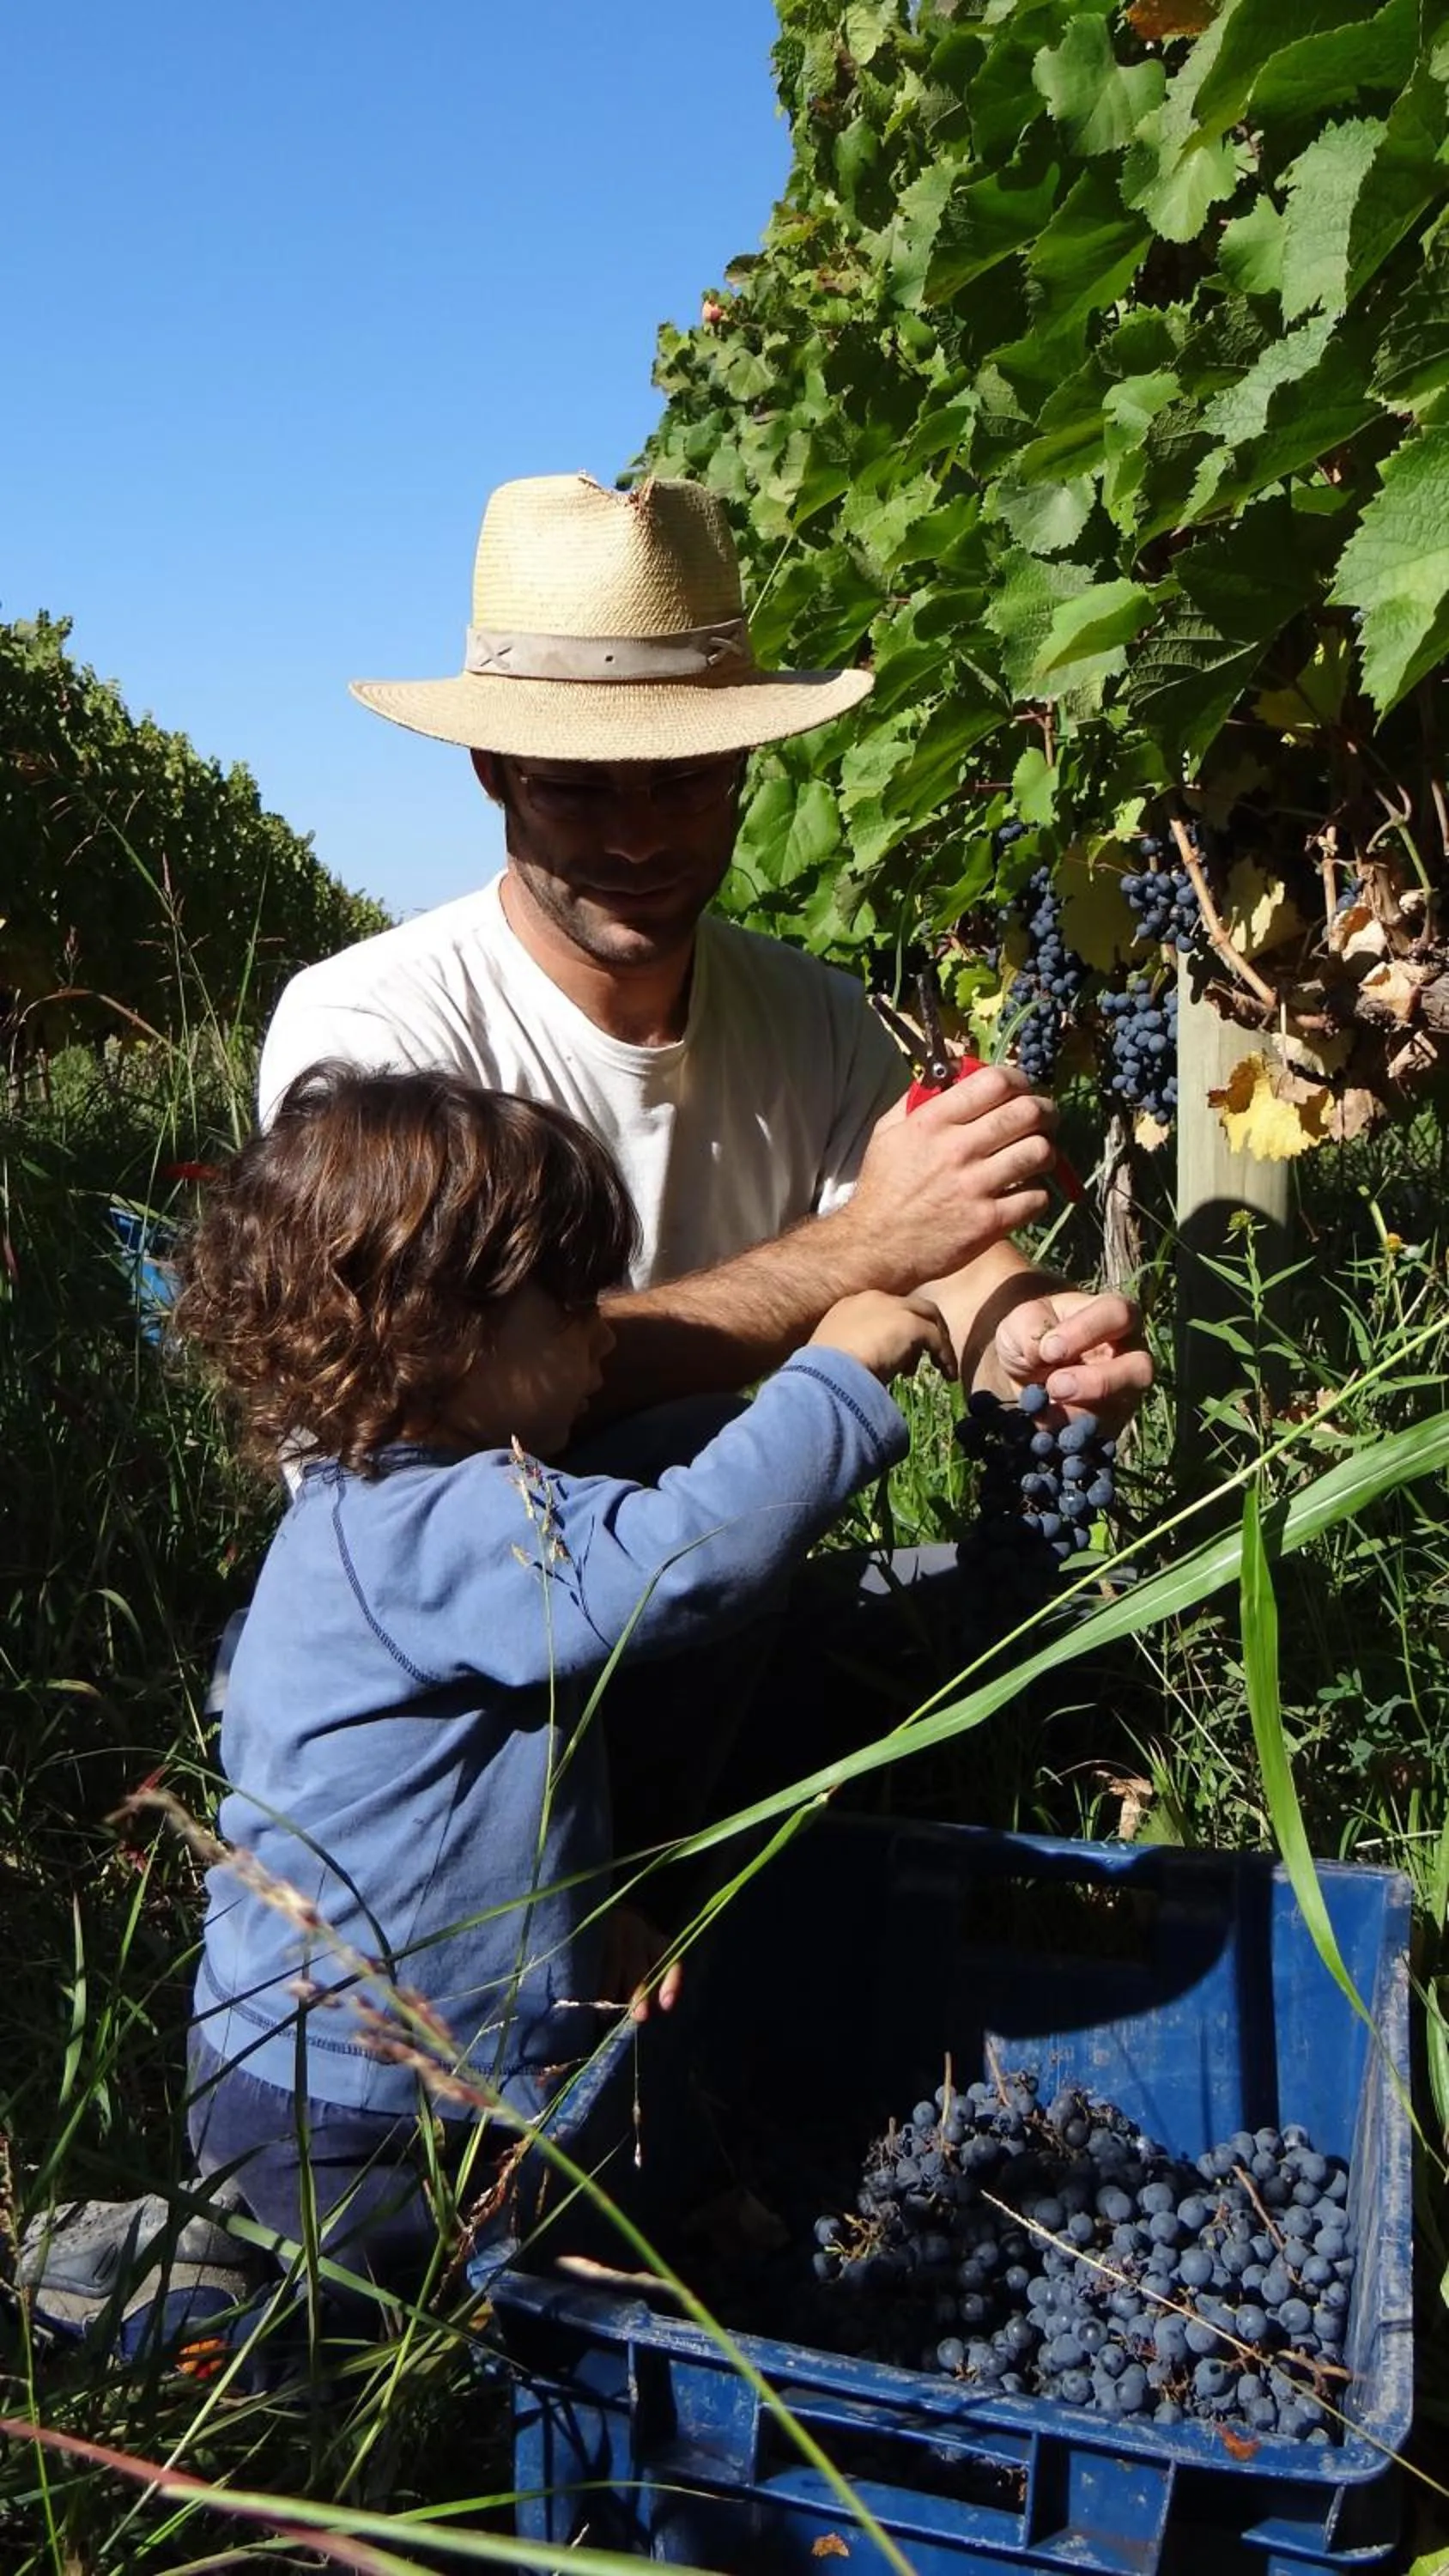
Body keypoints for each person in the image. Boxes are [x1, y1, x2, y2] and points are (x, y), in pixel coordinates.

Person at [165, 1060, 950, 2314]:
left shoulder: (370, 1513)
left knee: (417, 2294)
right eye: (572, 1300)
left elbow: (462, 1811)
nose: (606, 1329)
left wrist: (575, 1929)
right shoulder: (447, 1525)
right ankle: (198, 2320)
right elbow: (684, 1561)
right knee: (375, 2328)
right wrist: (837, 1375)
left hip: (300, 2072)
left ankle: (242, 2284)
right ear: (439, 1329)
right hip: (366, 2113)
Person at [258, 471, 1150, 1436]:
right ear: (493, 776)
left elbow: (951, 1253)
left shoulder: (815, 1017)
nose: (637, 839)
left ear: (740, 769)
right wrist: (856, 1251)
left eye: (682, 783)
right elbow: (432, 1387)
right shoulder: (374, 1032)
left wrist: (1031, 1339)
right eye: (578, 791)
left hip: (714, 1562)